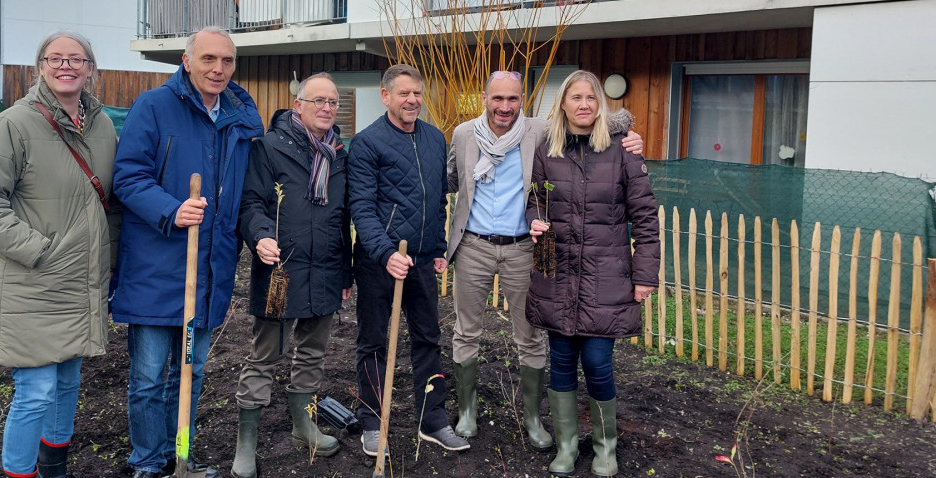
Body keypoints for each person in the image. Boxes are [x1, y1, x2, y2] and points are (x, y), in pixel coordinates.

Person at [446, 70, 643, 450]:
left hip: (526, 247)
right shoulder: (464, 134)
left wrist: (627, 134)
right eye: (497, 99)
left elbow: (591, 119)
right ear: (484, 98)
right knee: (466, 330)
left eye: (513, 99)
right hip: (473, 245)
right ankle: (467, 412)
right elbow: (451, 179)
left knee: (531, 335)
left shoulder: (539, 130)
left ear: (524, 100)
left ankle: (533, 418)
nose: (505, 107)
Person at [0, 31, 117, 478]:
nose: (66, 66)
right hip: (32, 280)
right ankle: (19, 473)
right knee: (36, 389)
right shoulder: (14, 123)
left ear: (90, 68)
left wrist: (111, 257)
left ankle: (54, 468)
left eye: (77, 59)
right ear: (40, 66)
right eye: (56, 58)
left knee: (68, 381)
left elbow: (111, 202)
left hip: (81, 279)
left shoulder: (103, 126)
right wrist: (39, 251)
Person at [109, 26, 263, 478]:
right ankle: (147, 462)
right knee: (149, 378)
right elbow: (129, 176)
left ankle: (181, 456)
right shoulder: (154, 107)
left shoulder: (239, 116)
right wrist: (171, 210)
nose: (218, 69)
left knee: (190, 375)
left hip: (208, 270)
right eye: (209, 59)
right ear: (186, 59)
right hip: (157, 268)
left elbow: (243, 192)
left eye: (227, 61)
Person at [525, 70, 660, 477]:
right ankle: (566, 446)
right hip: (558, 272)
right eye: (575, 97)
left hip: (607, 276)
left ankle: (605, 448)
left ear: (599, 104)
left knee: (598, 362)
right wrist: (534, 220)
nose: (584, 104)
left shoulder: (624, 150)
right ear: (562, 104)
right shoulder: (548, 149)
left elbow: (646, 219)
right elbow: (534, 198)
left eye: (591, 97)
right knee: (561, 360)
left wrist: (645, 275)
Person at [230, 72, 352, 478]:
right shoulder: (268, 148)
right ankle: (246, 444)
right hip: (281, 269)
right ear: (297, 105)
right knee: (266, 354)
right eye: (318, 101)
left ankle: (304, 427)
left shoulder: (338, 152)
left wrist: (346, 271)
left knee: (313, 352)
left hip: (326, 269)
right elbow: (250, 204)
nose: (326, 108)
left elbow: (342, 218)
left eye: (333, 102)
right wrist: (261, 236)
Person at [349, 64, 470, 457]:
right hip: (376, 261)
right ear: (385, 96)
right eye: (404, 93)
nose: (412, 100)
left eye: (417, 93)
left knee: (428, 339)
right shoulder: (367, 143)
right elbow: (362, 209)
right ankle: (372, 420)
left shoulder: (435, 139)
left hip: (419, 261)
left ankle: (433, 420)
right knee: (372, 342)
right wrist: (384, 254)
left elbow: (437, 201)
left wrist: (437, 247)